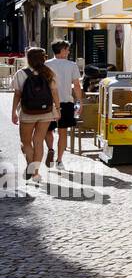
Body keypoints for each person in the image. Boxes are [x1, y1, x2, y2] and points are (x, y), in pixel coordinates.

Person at [11, 46, 59, 185]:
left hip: (27, 112)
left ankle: (30, 165)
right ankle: (36, 173)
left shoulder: (21, 73)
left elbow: (18, 94)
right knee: (38, 141)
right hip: (46, 112)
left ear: (28, 58)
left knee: (25, 142)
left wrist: (14, 111)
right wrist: (58, 109)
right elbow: (55, 93)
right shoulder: (49, 73)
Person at [44, 40, 83, 171]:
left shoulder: (46, 64)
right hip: (66, 102)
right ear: (62, 50)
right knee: (63, 132)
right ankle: (59, 160)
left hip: (49, 103)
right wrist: (80, 101)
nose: (69, 51)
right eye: (67, 49)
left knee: (47, 130)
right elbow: (76, 85)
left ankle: (50, 148)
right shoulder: (72, 65)